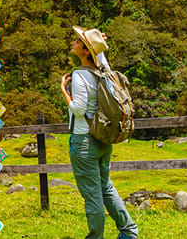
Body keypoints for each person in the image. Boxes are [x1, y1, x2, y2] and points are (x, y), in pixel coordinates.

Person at [60, 26, 138, 239]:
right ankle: (129, 231)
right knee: (106, 188)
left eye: (77, 41)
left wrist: (64, 91)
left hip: (85, 141)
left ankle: (95, 237)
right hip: (103, 139)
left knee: (92, 195)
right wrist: (98, 43)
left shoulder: (79, 76)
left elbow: (79, 109)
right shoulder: (104, 70)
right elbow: (100, 56)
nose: (73, 43)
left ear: (86, 51)